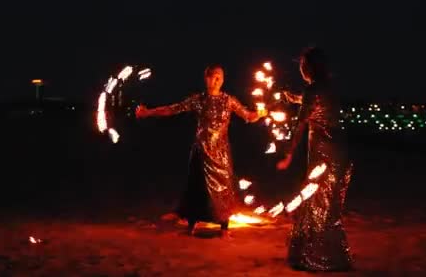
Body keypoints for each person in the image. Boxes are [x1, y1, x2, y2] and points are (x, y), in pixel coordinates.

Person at [136, 65, 266, 239]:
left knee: (223, 191)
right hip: (201, 152)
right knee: (197, 188)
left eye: (220, 77)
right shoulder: (198, 100)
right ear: (206, 79)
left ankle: (224, 229)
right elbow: (172, 109)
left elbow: (248, 116)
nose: (216, 80)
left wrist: (260, 113)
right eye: (213, 77)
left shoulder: (229, 100)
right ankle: (191, 226)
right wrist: (148, 112)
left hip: (221, 154)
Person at [277, 47, 353, 271]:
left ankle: (319, 260)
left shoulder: (313, 91)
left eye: (302, 65)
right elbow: (310, 101)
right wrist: (291, 96)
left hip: (324, 154)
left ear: (308, 67)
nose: (300, 69)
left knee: (318, 205)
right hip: (341, 153)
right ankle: (332, 258)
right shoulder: (328, 88)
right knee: (329, 207)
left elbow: (300, 124)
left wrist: (288, 153)